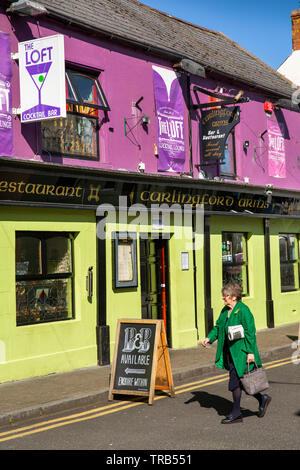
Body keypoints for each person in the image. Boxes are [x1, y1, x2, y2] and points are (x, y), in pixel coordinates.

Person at [201, 282, 271, 424]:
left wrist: (250, 353)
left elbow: (250, 332)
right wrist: (209, 337)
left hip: (242, 353)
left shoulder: (244, 310)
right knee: (243, 382)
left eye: (226, 296)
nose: (223, 299)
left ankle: (236, 413)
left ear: (234, 297)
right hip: (229, 352)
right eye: (224, 296)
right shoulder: (224, 311)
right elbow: (218, 327)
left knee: (235, 383)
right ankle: (262, 399)